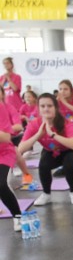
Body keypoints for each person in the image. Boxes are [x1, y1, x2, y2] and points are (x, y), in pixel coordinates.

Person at [17, 93, 73, 206]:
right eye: (42, 106)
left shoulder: (65, 122)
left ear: (56, 108)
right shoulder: (34, 124)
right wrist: (38, 134)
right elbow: (21, 148)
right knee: (43, 165)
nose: (46, 109)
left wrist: (52, 134)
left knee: (69, 164)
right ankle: (46, 194)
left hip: (69, 151)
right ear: (38, 108)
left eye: (49, 106)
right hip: (51, 151)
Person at [0, 86, 24, 232]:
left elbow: (5, 137)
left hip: (3, 151)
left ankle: (17, 216)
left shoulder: (3, 108)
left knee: (1, 185)